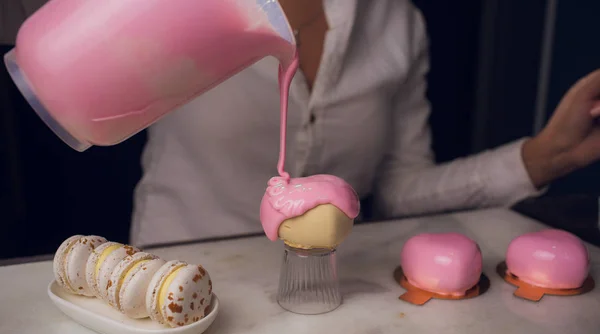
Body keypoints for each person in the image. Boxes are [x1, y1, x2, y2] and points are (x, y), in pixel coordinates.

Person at [131, 0, 600, 247]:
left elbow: (400, 191)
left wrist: (544, 157)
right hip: (173, 281)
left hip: (331, 302)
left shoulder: (398, 21)